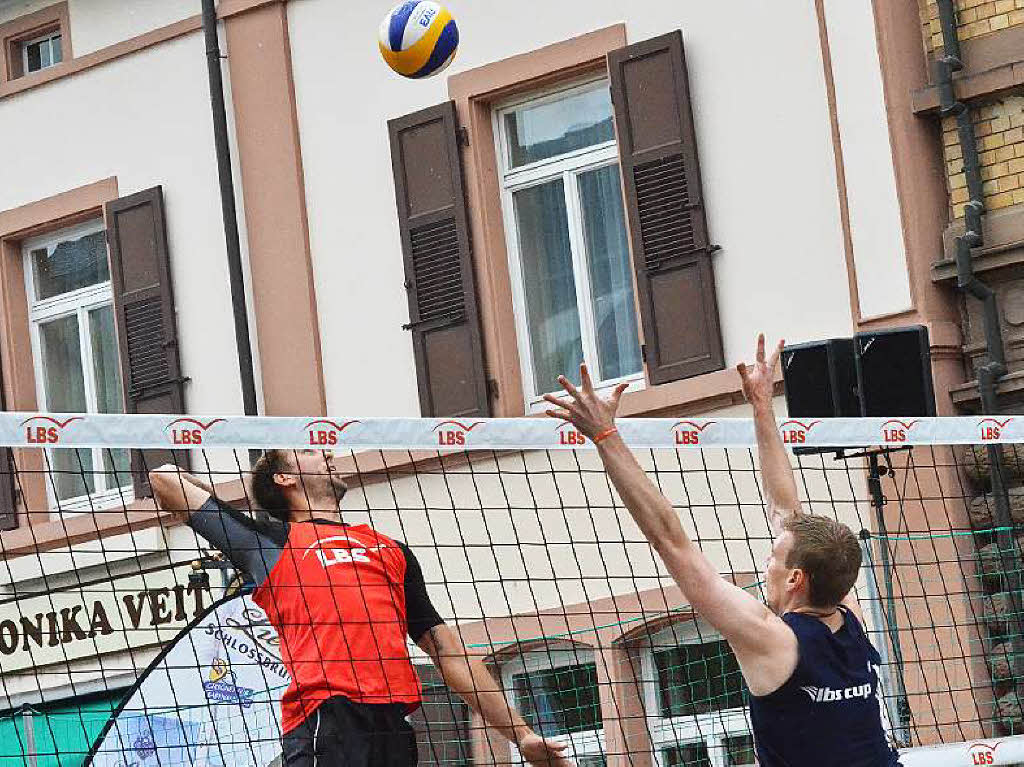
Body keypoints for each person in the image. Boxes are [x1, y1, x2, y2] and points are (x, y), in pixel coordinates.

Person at [543, 335, 901, 767]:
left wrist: (605, 435)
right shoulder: (849, 614)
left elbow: (670, 541)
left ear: (795, 578)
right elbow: (787, 513)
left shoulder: (770, 637)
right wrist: (762, 408)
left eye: (774, 556)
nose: (766, 561)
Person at [150, 449, 569, 767]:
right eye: (310, 452)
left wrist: (522, 736)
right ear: (285, 478)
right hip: (328, 722)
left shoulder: (391, 550)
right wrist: (241, 491)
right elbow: (165, 480)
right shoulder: (266, 542)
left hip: (394, 725)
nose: (329, 454)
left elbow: (447, 653)